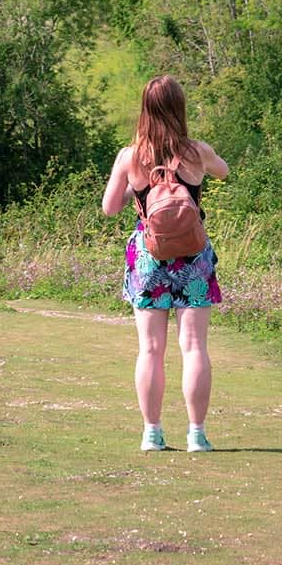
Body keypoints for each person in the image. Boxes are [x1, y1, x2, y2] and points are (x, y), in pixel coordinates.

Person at [102, 75, 228, 454]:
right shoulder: (196, 152)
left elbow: (109, 209)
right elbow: (223, 171)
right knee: (193, 347)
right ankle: (196, 434)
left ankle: (152, 433)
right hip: (193, 257)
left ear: (145, 108)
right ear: (180, 107)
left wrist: (136, 188)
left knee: (150, 350)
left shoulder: (130, 156)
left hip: (148, 258)